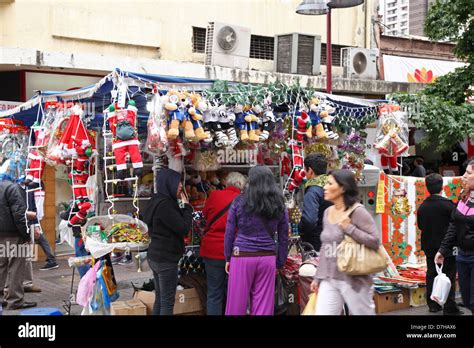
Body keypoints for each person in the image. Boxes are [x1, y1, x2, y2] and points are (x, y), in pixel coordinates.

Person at [310, 169, 380, 315]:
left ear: (342, 188)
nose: (324, 187)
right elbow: (325, 246)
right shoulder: (327, 212)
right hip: (330, 278)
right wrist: (318, 277)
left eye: (329, 183)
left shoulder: (358, 211)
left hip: (354, 278)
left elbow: (374, 241)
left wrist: (349, 228)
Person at [224, 165, 289, 315]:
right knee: (263, 306)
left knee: (236, 305)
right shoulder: (279, 204)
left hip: (242, 255)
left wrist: (228, 257)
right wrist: (280, 262)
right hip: (267, 257)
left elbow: (229, 232)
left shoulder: (239, 202)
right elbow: (284, 236)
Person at [144, 168, 192, 315]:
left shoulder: (156, 200)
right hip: (165, 258)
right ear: (168, 183)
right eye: (177, 183)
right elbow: (183, 228)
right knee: (167, 302)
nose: (180, 186)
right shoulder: (165, 205)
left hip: (156, 256)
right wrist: (187, 207)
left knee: (160, 298)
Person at [200, 172, 246, 315]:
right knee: (236, 293)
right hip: (235, 251)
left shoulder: (214, 195)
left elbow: (205, 215)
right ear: (242, 185)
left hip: (212, 250)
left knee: (214, 292)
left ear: (226, 182)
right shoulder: (244, 201)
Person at [417, 173, 461, 314]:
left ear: (427, 188)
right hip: (446, 247)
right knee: (449, 274)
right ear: (442, 187)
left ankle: (433, 305)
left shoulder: (422, 206)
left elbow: (421, 226)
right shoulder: (448, 205)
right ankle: (449, 306)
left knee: (432, 274)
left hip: (429, 246)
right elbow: (455, 226)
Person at [436, 159, 474, 315]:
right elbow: (453, 225)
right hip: (462, 257)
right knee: (467, 300)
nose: (464, 176)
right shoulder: (464, 196)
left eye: (469, 173)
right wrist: (443, 250)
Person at [0, 180, 37, 310]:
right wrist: (26, 235)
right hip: (13, 234)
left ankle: (2, 300)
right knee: (16, 267)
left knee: (1, 266)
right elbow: (19, 213)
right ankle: (15, 300)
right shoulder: (11, 187)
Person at [299, 154, 332, 252]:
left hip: (316, 243)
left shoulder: (313, 191)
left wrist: (300, 229)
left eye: (305, 170)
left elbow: (309, 220)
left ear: (310, 170)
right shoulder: (332, 186)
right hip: (333, 240)